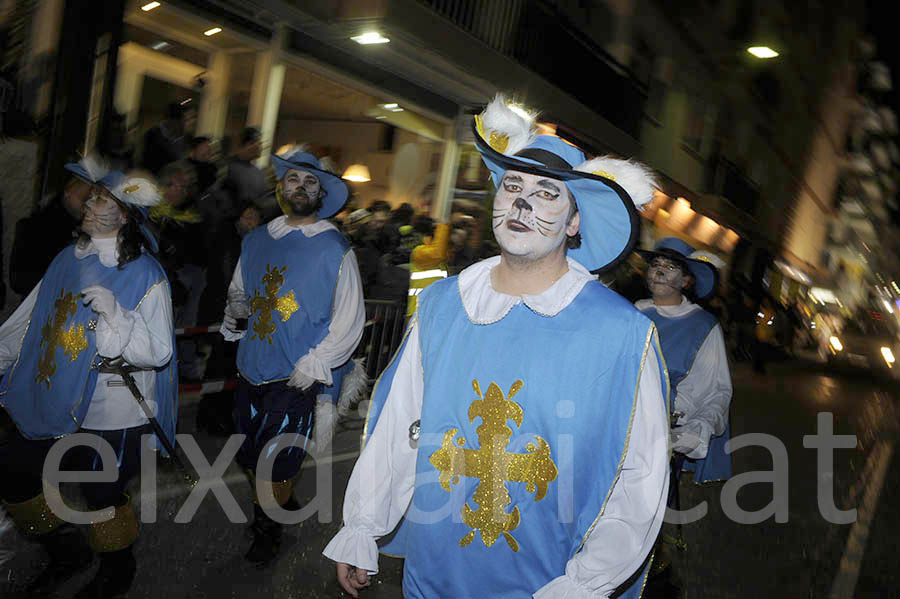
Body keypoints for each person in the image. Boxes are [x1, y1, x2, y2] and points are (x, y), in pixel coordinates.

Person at [324, 94, 669, 599]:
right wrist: (363, 526)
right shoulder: (443, 304)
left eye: (548, 193)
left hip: (545, 586)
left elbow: (640, 472)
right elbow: (400, 424)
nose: (523, 203)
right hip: (429, 577)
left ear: (575, 223)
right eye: (512, 185)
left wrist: (585, 584)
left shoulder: (623, 334)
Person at [0, 160, 176, 599]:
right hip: (51, 391)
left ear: (126, 215)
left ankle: (117, 568)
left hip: (110, 405)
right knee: (13, 474)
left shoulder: (146, 274)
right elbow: (30, 321)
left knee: (100, 494)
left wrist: (118, 315)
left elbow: (158, 352)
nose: (88, 201)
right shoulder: (66, 256)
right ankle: (64, 551)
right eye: (91, 194)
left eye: (102, 197)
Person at [220, 146, 364, 566]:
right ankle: (275, 503)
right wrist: (238, 309)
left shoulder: (334, 248)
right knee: (249, 455)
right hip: (252, 366)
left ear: (320, 194)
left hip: (296, 375)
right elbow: (239, 290)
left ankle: (269, 530)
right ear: (281, 188)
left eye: (310, 181)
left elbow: (350, 317)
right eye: (293, 180)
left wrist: (316, 362)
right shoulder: (258, 239)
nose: (300, 188)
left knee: (276, 461)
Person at [634, 237, 733, 483]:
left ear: (686, 281)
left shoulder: (703, 326)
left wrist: (690, 432)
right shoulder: (634, 312)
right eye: (656, 264)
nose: (659, 271)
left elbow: (717, 391)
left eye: (670, 267)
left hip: (666, 429)